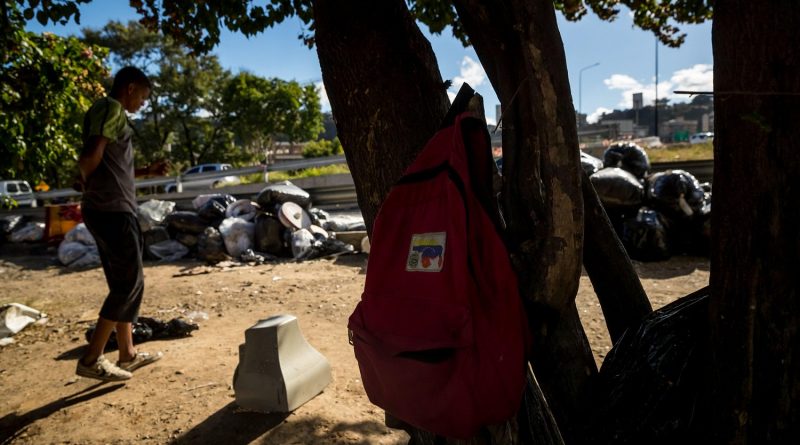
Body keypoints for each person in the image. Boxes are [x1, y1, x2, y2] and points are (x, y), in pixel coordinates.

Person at [76, 66, 168, 381]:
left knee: (123, 284)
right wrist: (87, 181)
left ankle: (127, 354)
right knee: (130, 283)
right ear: (129, 88)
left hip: (107, 208)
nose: (142, 104)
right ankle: (92, 359)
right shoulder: (111, 108)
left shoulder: (110, 113)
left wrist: (146, 171)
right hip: (112, 209)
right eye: (142, 97)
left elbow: (110, 163)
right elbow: (91, 156)